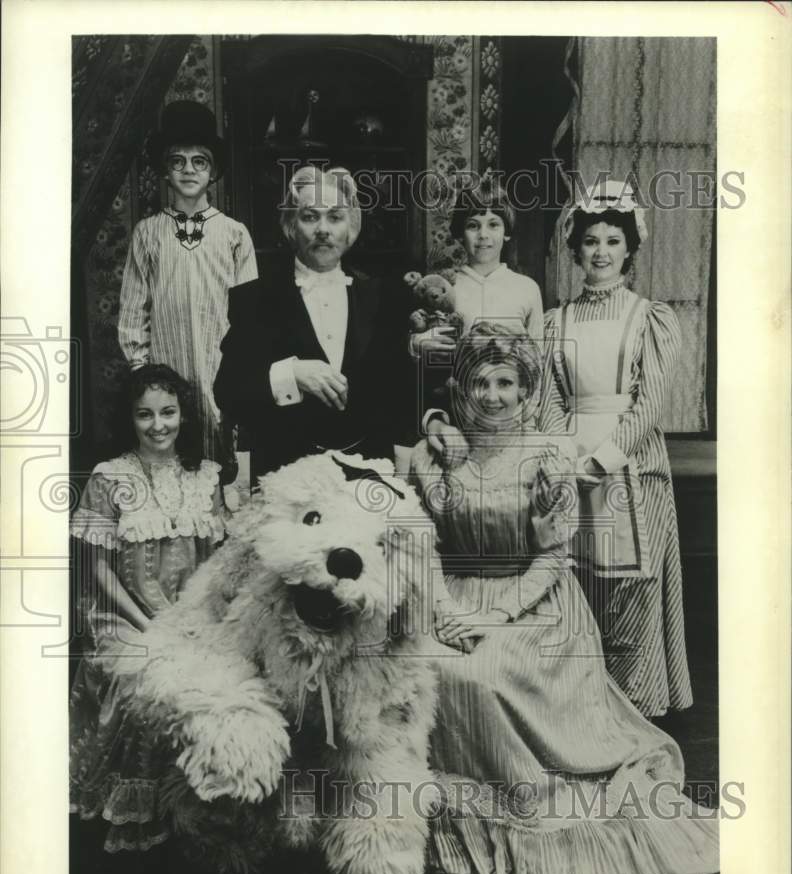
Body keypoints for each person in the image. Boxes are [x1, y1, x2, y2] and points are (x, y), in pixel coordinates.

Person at [410, 327, 717, 874]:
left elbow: (553, 560)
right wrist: (446, 608)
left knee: (478, 674)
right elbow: (419, 545)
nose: (492, 395)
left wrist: (494, 616)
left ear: (527, 391)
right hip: (450, 597)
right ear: (460, 389)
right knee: (423, 667)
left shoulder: (547, 456)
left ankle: (523, 819)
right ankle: (437, 833)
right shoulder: (435, 454)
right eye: (480, 382)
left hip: (535, 605)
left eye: (506, 383)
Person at [544, 179, 692, 718]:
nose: (601, 252)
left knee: (630, 588)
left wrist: (602, 459)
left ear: (629, 248)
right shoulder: (554, 322)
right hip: (572, 470)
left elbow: (649, 404)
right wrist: (566, 457)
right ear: (576, 249)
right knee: (576, 585)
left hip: (630, 470)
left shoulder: (649, 318)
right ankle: (582, 710)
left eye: (611, 241)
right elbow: (551, 401)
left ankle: (635, 710)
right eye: (590, 242)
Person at [69, 364, 226, 852]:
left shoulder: (205, 476)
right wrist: (151, 625)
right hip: (124, 615)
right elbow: (98, 573)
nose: (159, 425)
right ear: (129, 419)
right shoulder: (108, 477)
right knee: (145, 673)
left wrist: (195, 620)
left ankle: (202, 803)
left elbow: (218, 564)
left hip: (193, 613)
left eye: (168, 412)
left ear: (183, 415)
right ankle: (142, 806)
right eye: (145, 415)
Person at [214, 165, 412, 479]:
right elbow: (228, 391)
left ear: (351, 227)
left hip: (368, 476)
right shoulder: (255, 299)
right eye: (309, 216)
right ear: (291, 226)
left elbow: (401, 394)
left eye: (335, 217)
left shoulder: (383, 298)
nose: (323, 229)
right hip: (286, 481)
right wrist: (290, 374)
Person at [117, 101, 258, 483]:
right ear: (165, 170)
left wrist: (243, 372)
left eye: (200, 161)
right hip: (167, 369)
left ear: (213, 172)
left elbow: (250, 314)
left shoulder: (233, 233)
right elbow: (133, 311)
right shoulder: (148, 232)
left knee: (221, 466)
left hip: (222, 369)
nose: (189, 170)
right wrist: (144, 375)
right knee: (174, 465)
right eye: (177, 161)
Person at [412, 176, 563, 467]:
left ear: (507, 232)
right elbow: (430, 367)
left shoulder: (526, 288)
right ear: (460, 232)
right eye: (473, 225)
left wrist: (529, 420)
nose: (483, 235)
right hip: (459, 420)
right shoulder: (443, 288)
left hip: (513, 422)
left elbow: (538, 364)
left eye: (494, 224)